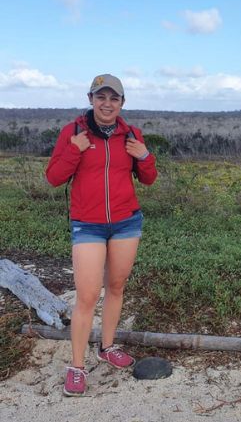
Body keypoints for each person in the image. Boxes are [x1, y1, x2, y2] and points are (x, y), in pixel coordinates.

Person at [45, 74, 157, 396]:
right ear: (91, 99)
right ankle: (77, 367)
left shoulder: (131, 134)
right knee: (87, 295)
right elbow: (54, 177)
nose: (107, 104)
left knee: (117, 286)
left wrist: (144, 156)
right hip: (88, 224)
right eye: (101, 97)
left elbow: (148, 179)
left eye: (114, 98)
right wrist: (74, 151)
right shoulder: (74, 132)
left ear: (122, 103)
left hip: (126, 222)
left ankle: (107, 348)